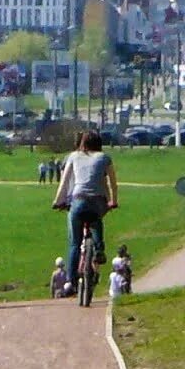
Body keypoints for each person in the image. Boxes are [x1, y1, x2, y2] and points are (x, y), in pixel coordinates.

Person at [54, 127, 119, 301]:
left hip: (78, 200)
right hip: (98, 201)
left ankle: (71, 280)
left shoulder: (74, 156)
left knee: (74, 243)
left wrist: (57, 201)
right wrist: (113, 200)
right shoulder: (105, 158)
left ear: (82, 143)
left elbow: (65, 181)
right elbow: (113, 183)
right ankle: (99, 249)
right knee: (97, 220)